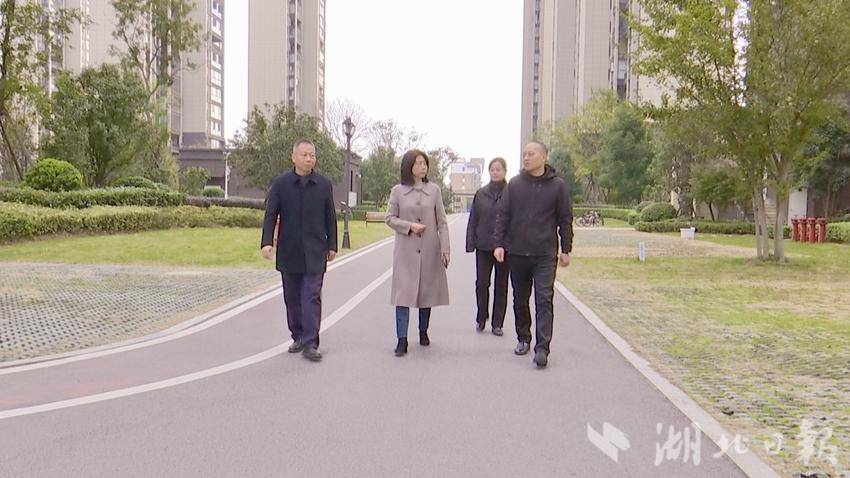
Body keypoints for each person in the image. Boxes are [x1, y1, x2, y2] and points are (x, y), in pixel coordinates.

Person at [493, 141, 573, 368]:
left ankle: (542, 348)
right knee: (520, 299)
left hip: (545, 254)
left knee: (544, 298)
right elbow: (503, 216)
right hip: (518, 252)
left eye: (531, 154)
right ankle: (523, 337)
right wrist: (499, 244)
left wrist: (566, 249)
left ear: (544, 157)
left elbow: (565, 219)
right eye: (524, 154)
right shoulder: (515, 185)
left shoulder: (557, 186)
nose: (526, 158)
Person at [261, 139, 338, 363]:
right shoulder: (281, 184)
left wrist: (332, 245)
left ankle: (311, 342)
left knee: (311, 296)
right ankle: (298, 336)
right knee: (292, 297)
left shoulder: (323, 184)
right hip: (289, 250)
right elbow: (271, 214)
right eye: (304, 155)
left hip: (315, 250)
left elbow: (330, 217)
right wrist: (267, 242)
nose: (308, 159)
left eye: (312, 155)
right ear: (293, 157)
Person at [386, 149, 451, 357]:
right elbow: (389, 218)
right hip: (405, 251)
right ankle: (402, 339)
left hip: (430, 248)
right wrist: (409, 226)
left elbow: (442, 222)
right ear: (409, 166)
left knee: (426, 292)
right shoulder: (398, 191)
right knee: (402, 295)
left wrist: (445, 248)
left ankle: (423, 331)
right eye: (418, 163)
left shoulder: (434, 190)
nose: (423, 167)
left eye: (425, 163)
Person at [466, 157, 510, 336]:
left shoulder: (511, 192)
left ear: (505, 171)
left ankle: (497, 323)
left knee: (501, 285)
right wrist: (471, 242)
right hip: (483, 246)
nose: (495, 172)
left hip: (505, 247)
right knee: (482, 283)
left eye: (499, 169)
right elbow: (473, 219)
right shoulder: (481, 193)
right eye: (492, 169)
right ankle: (481, 316)